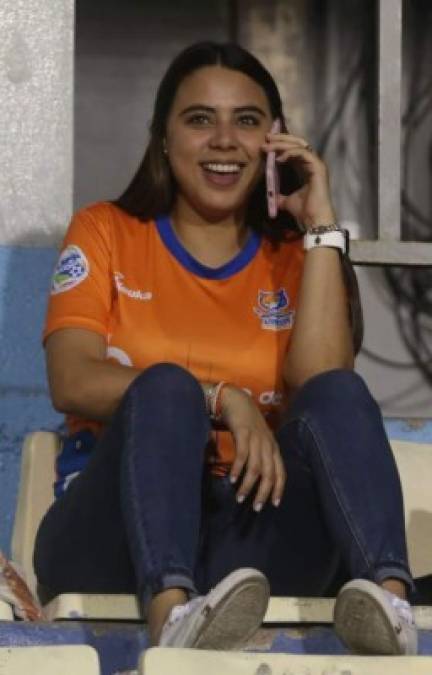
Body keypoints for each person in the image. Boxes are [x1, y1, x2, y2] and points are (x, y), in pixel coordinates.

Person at [33, 41, 417, 655]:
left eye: (246, 121)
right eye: (198, 119)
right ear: (162, 136)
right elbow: (71, 379)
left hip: (246, 537)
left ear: (276, 140)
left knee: (343, 390)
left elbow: (320, 391)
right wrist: (220, 399)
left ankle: (393, 611)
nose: (223, 140)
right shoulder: (106, 230)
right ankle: (173, 622)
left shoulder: (295, 256)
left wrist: (320, 225)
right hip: (111, 537)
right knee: (167, 385)